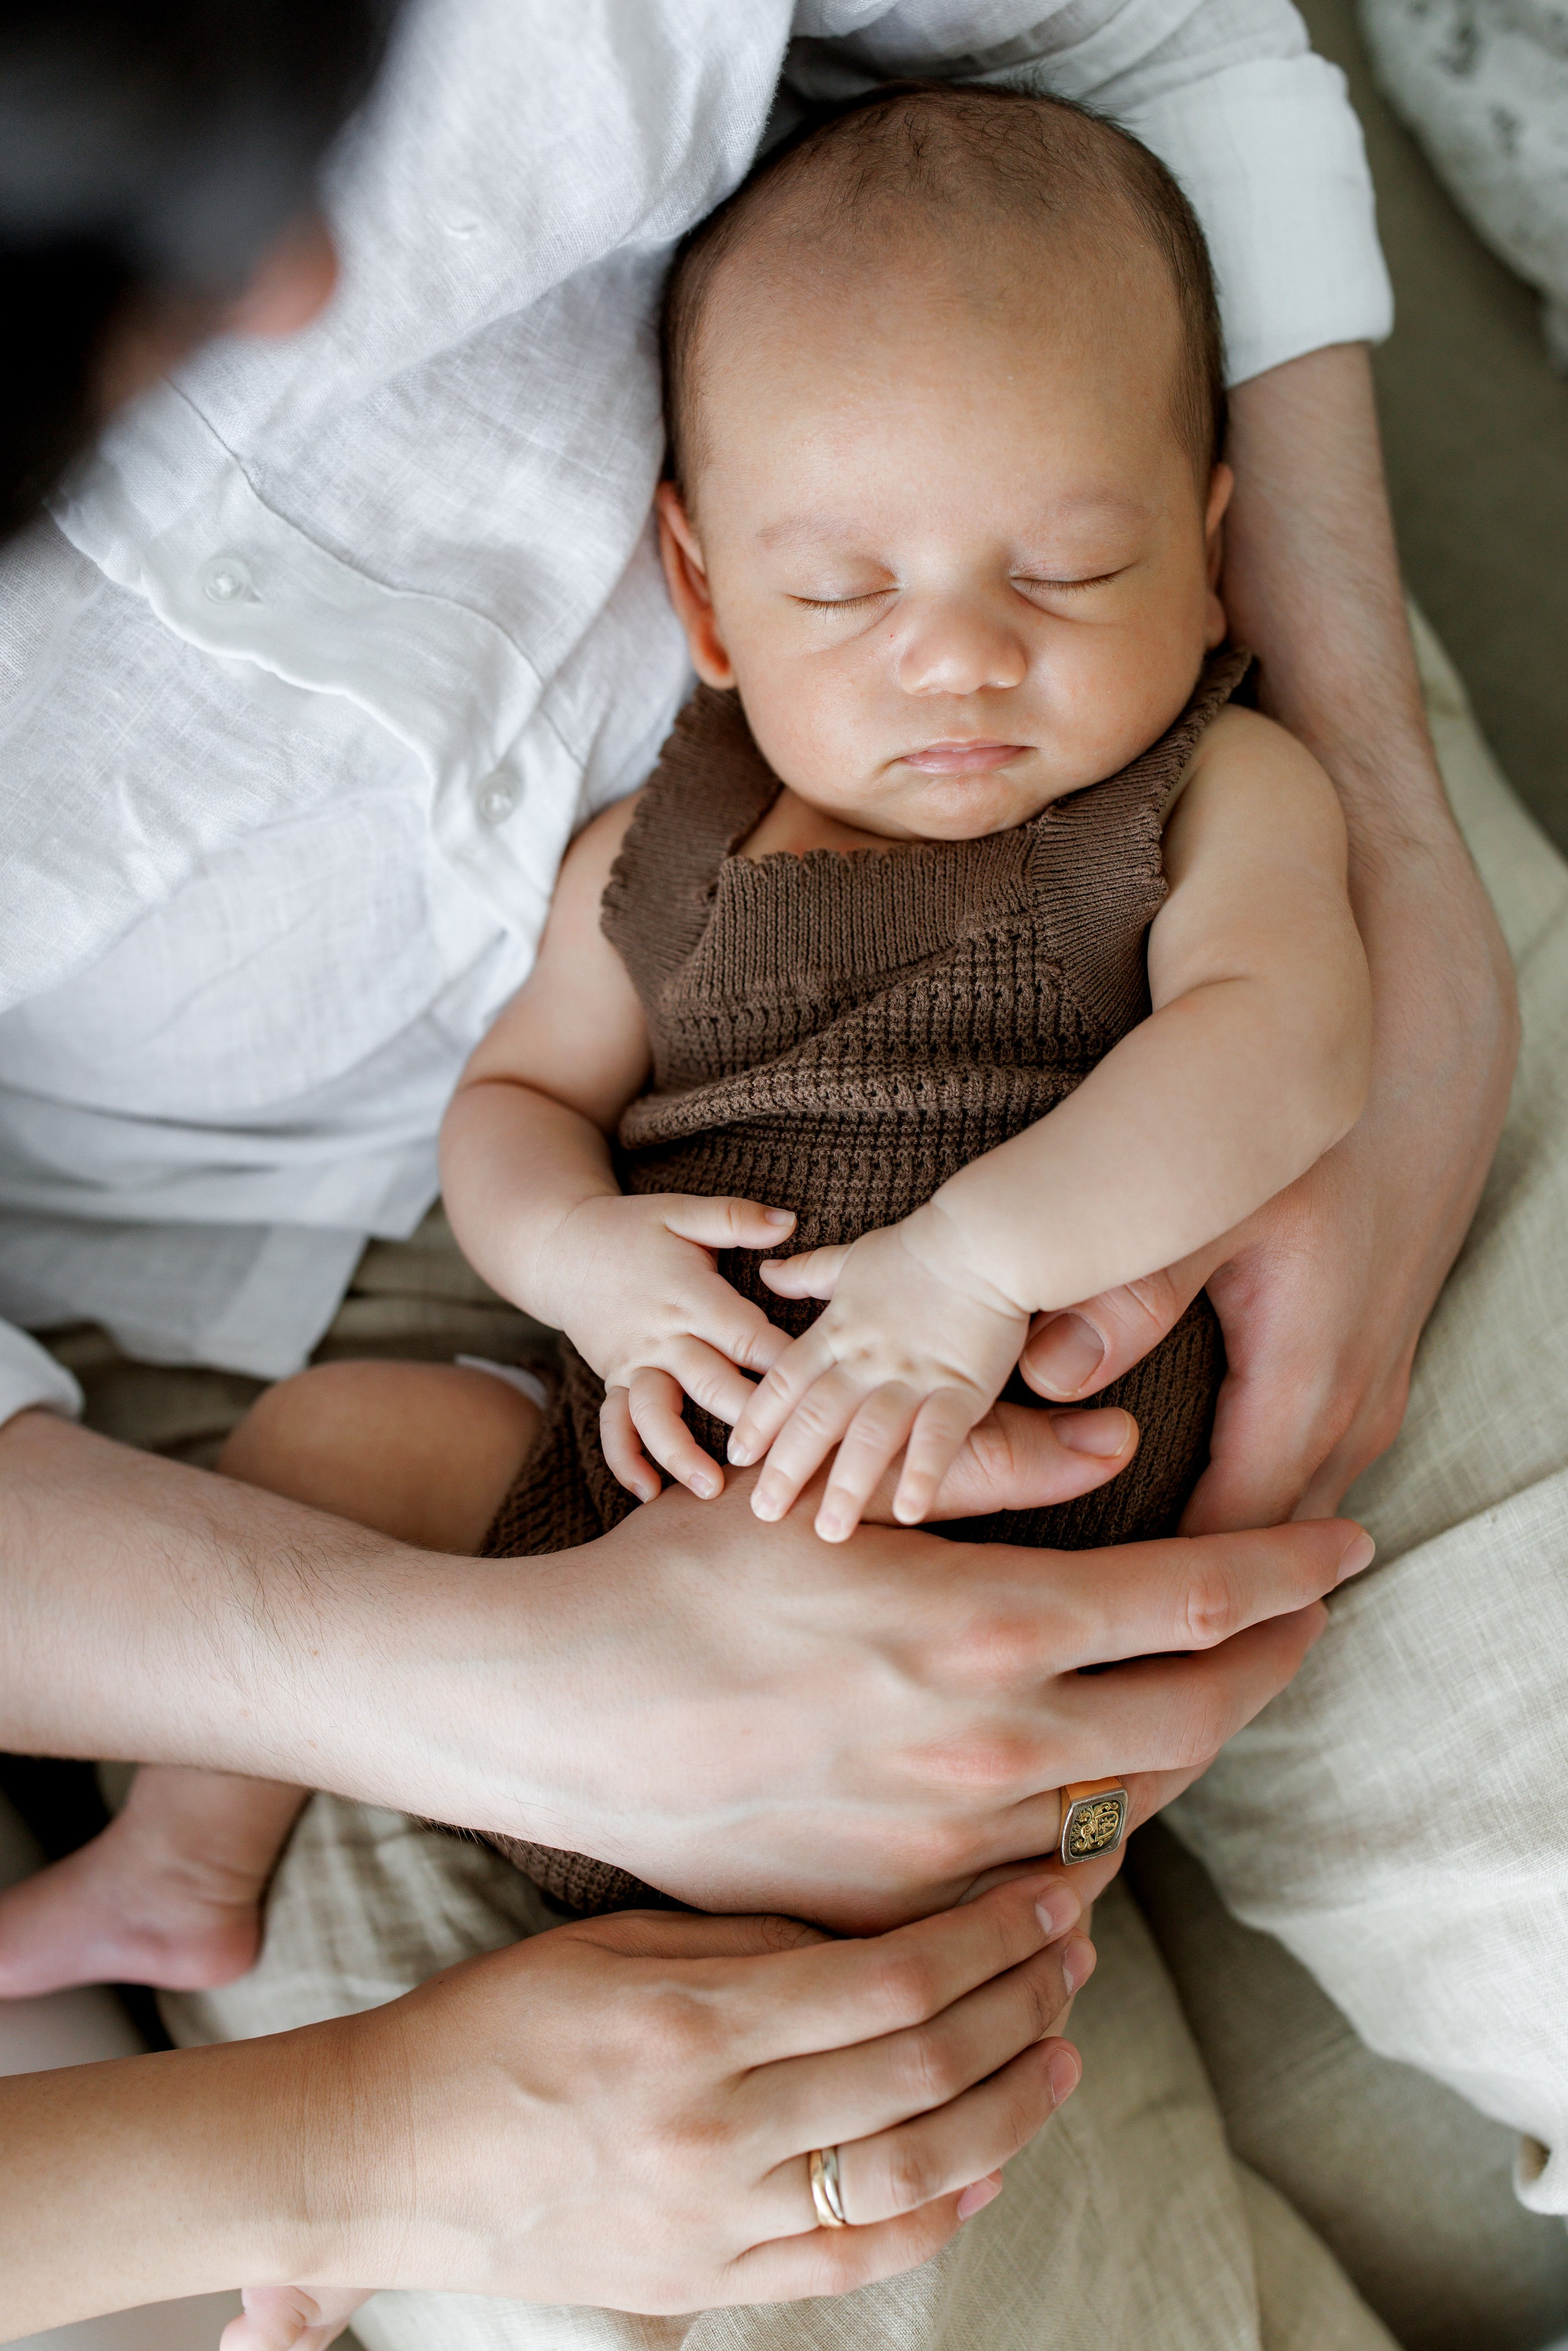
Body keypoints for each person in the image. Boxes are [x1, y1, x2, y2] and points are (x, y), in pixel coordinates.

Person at [0, 2, 1530, 2348]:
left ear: (1211, 554)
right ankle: (189, 1860)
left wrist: (981, 1264)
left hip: (1132, 1481)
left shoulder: (1205, 791)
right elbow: (519, 1112)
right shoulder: (666, 851)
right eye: (844, 600)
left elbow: (1289, 1038)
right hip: (584, 1488)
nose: (962, 660)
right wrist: (585, 1272)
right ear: (707, 598)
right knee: (354, 1450)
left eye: (1073, 571)